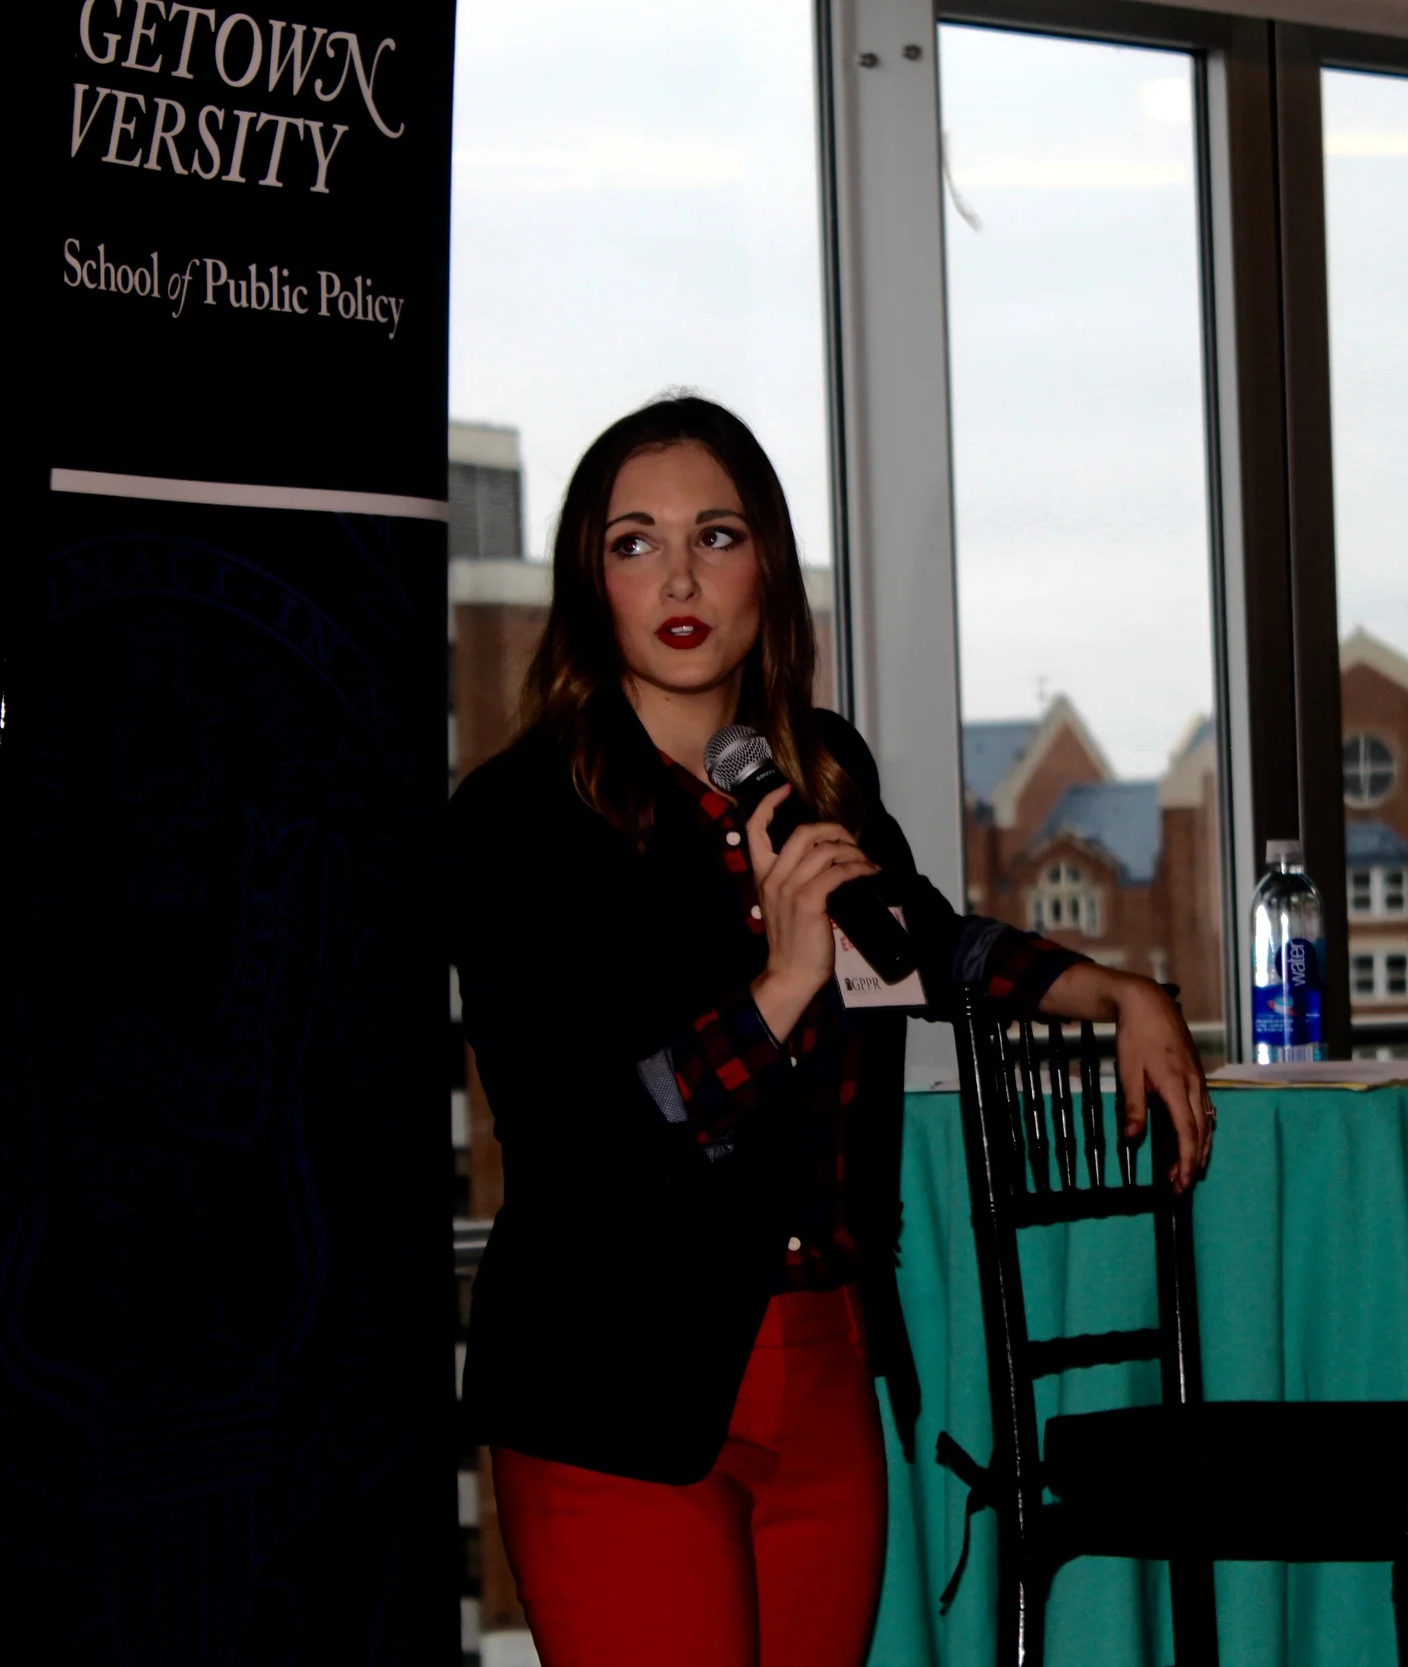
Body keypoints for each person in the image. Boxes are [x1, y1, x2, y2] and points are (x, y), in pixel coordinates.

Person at [447, 395, 1214, 1667]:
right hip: (613, 1382)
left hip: (822, 1367)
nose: (680, 577)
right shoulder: (517, 815)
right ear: (590, 581)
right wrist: (781, 983)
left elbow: (923, 942)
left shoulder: (818, 773)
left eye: (717, 535)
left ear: (767, 569)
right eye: (635, 542)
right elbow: (576, 1138)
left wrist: (1108, 990)